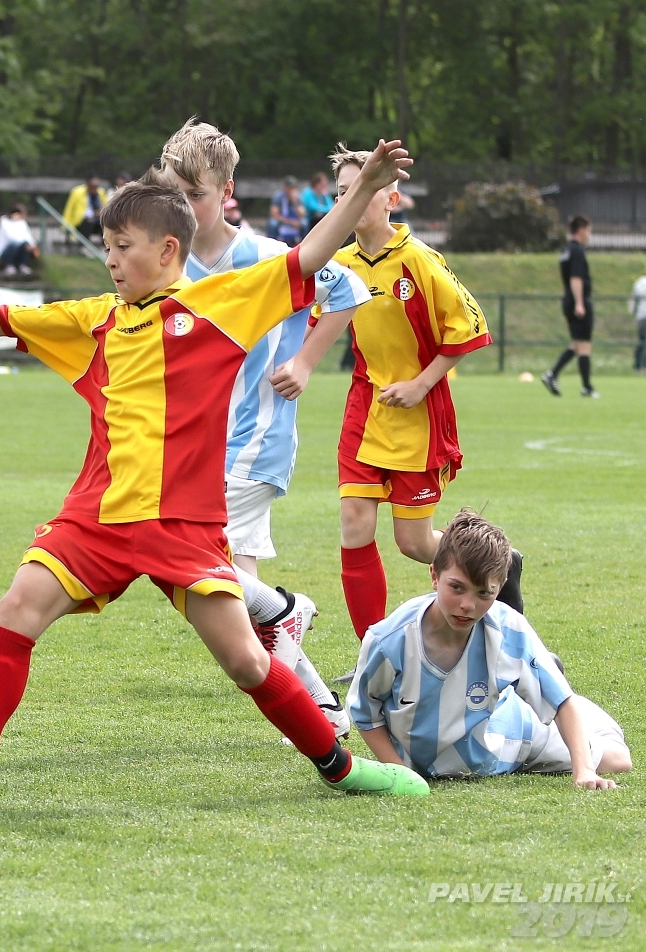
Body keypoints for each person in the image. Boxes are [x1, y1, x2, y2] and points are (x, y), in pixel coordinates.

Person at [0, 141, 431, 815]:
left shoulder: (220, 304)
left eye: (123, 246)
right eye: (107, 247)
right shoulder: (95, 321)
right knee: (17, 609)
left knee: (247, 662)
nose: (111, 260)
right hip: (96, 517)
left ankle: (341, 768)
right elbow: (5, 321)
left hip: (181, 526)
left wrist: (364, 188)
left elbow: (310, 257)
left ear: (168, 249)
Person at [159, 117, 372, 735]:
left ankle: (288, 614)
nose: (182, 208)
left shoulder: (266, 257)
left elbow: (348, 289)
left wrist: (303, 362)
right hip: (193, 449)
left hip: (252, 443)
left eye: (195, 195)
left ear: (227, 191)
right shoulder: (167, 263)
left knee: (195, 569)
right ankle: (324, 708)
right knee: (238, 599)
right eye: (172, 194)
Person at [326, 144, 517, 670]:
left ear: (391, 198)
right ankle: (373, 657)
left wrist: (420, 383)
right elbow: (310, 320)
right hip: (365, 407)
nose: (349, 199)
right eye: (341, 192)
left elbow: (470, 327)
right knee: (353, 524)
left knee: (412, 543)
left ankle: (498, 565)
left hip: (418, 412)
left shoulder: (420, 260)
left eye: (362, 188)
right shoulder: (336, 264)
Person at [349, 510, 630, 786]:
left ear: (500, 588)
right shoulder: (388, 639)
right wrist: (401, 773)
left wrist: (584, 772)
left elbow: (561, 702)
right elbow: (365, 712)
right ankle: (537, 674)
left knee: (618, 761)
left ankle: (551, 683)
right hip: (443, 756)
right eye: (457, 588)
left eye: (484, 593)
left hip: (512, 735)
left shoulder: (508, 628)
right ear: (434, 575)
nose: (467, 605)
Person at [542, 215, 598, 398]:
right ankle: (587, 387)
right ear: (581, 230)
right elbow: (576, 278)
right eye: (589, 230)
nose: (589, 235)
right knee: (584, 345)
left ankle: (552, 375)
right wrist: (580, 303)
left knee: (577, 344)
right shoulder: (577, 250)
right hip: (578, 301)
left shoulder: (566, 250)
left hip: (568, 300)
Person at [0, 204, 39, 276]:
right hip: (6, 252)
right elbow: (11, 237)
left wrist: (32, 244)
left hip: (18, 251)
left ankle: (22, 265)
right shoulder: (5, 222)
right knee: (15, 244)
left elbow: (28, 236)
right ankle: (9, 265)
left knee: (26, 244)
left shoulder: (22, 223)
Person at [63, 174, 108, 241]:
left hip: (97, 219)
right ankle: (85, 244)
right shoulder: (78, 192)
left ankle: (105, 244)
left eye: (96, 186)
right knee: (88, 223)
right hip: (82, 221)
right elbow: (69, 209)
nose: (94, 188)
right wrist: (65, 224)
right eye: (92, 186)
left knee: (104, 225)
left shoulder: (100, 193)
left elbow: (105, 206)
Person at [267, 176, 305, 246]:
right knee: (273, 224)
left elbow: (302, 214)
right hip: (282, 219)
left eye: (292, 187)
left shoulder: (298, 197)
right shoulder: (278, 197)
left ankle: (303, 244)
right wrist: (290, 222)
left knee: (304, 223)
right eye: (288, 187)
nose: (290, 190)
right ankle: (271, 244)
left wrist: (295, 202)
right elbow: (274, 214)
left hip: (295, 219)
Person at [632, 264, 646, 373]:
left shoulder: (639, 282)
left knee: (641, 340)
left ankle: (637, 365)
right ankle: (643, 365)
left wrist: (633, 312)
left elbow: (634, 300)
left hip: (640, 316)